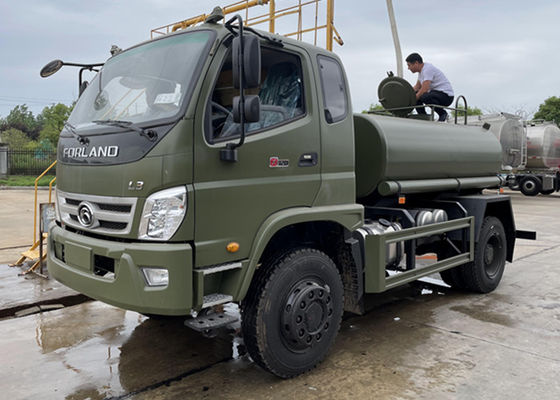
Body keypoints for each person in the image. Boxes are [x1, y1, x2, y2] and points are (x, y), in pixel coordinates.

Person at [406, 53, 454, 122]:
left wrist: (413, 99)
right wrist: (407, 96)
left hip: (446, 96)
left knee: (423, 96)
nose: (408, 68)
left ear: (416, 63)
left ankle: (442, 113)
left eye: (409, 65)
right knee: (416, 94)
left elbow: (424, 89)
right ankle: (423, 117)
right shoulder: (421, 72)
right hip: (435, 94)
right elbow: (417, 87)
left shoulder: (427, 69)